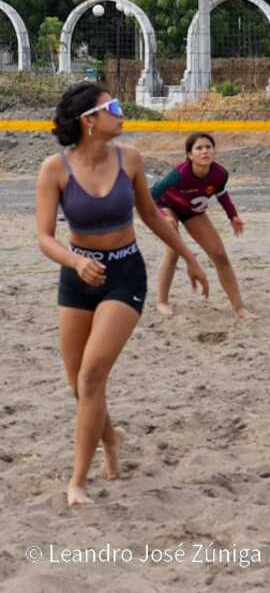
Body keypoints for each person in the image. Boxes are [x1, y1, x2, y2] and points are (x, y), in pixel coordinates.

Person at [36, 83, 209, 506]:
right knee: (80, 385)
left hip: (124, 275)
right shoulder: (54, 170)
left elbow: (150, 215)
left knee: (93, 375)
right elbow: (43, 237)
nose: (120, 111)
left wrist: (189, 255)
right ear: (88, 122)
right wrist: (75, 262)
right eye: (111, 106)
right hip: (78, 276)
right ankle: (110, 438)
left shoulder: (129, 159)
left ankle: (78, 481)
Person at [151, 132, 252, 319]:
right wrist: (164, 215)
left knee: (220, 255)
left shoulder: (220, 174)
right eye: (199, 148)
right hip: (167, 207)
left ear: (214, 151)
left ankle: (239, 308)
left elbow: (222, 194)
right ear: (190, 155)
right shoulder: (179, 174)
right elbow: (152, 194)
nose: (204, 151)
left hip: (192, 212)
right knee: (172, 252)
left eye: (208, 147)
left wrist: (233, 216)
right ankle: (162, 302)